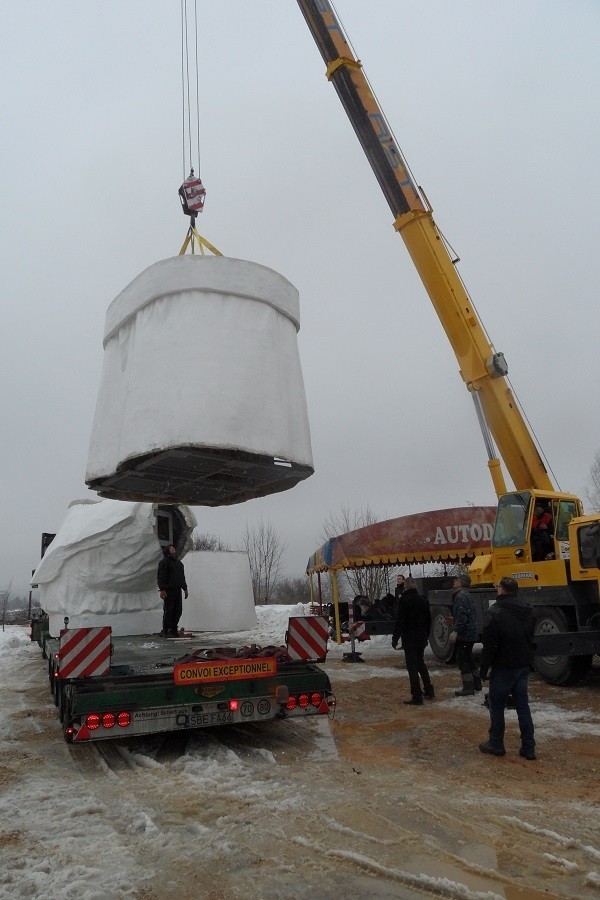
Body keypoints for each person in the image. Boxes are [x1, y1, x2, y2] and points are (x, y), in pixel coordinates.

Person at [479, 576, 536, 759]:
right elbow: (530, 636)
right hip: (522, 664)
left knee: (496, 705)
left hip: (503, 666)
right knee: (523, 706)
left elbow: (489, 643)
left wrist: (484, 667)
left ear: (501, 590)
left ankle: (496, 743)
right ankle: (528, 747)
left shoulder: (495, 611)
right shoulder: (529, 610)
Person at [391, 576, 434, 704]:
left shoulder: (405, 601)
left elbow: (401, 622)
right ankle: (429, 690)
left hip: (409, 639)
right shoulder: (423, 600)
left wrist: (395, 638)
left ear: (406, 587)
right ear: (415, 586)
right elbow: (429, 620)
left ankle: (417, 696)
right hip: (421, 638)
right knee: (421, 663)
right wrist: (426, 635)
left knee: (412, 667)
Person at [451, 573, 481, 697]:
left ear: (461, 582)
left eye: (456, 579)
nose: (454, 581)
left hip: (465, 634)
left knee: (462, 660)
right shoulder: (467, 595)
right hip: (471, 632)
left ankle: (468, 688)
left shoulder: (461, 596)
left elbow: (463, 616)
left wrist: (456, 631)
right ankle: (477, 684)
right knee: (469, 659)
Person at [157, 544, 188, 638]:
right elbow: (161, 577)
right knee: (168, 610)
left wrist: (185, 588)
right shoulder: (164, 562)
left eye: (174, 548)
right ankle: (167, 629)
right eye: (171, 548)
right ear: (167, 551)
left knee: (178, 610)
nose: (174, 549)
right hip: (168, 590)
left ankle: (174, 628)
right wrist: (162, 589)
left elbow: (182, 577)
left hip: (177, 590)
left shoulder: (179, 563)